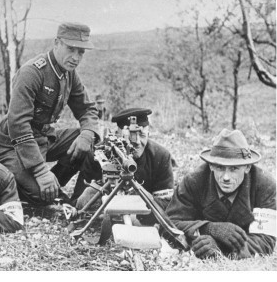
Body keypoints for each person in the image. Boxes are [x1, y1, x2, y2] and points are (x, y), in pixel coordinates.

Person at [0, 22, 100, 206]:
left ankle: (79, 204)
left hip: (44, 137)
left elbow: (87, 108)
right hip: (13, 144)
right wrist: (41, 171)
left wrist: (88, 134)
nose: (75, 57)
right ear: (57, 43)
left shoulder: (69, 73)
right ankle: (45, 189)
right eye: (71, 49)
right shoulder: (32, 73)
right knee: (40, 197)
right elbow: (18, 124)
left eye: (81, 52)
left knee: (91, 144)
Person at [166, 129, 276, 259]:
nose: (226, 177)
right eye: (220, 167)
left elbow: (266, 240)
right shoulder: (194, 182)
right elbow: (170, 224)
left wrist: (221, 249)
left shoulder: (264, 186)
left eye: (234, 169)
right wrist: (208, 228)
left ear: (247, 167)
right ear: (211, 166)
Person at [73, 108, 175, 213]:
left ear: (148, 134)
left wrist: (137, 194)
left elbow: (167, 205)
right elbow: (77, 201)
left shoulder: (160, 156)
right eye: (130, 137)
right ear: (117, 135)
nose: (138, 142)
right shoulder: (99, 153)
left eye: (142, 135)